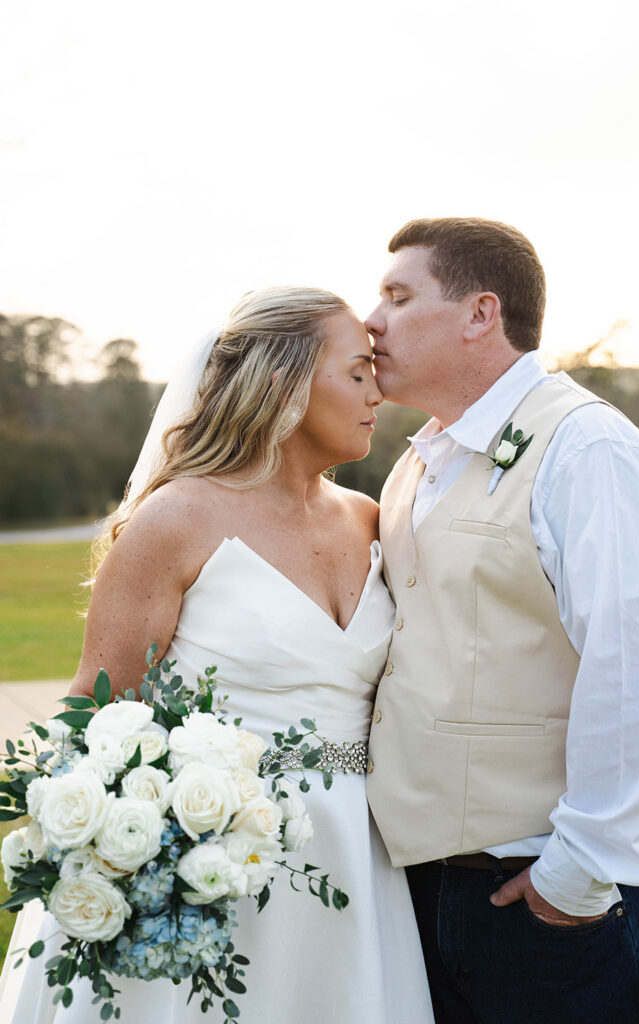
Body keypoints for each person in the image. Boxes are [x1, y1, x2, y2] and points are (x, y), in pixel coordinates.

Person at [1, 286, 435, 1024]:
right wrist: (122, 852)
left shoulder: (373, 521)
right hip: (204, 857)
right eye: (356, 372)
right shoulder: (176, 519)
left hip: (357, 857)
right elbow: (98, 708)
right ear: (282, 382)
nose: (377, 394)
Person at [364, 218, 639, 1024]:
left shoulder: (588, 449)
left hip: (546, 899)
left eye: (399, 296)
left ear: (480, 313)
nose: (372, 320)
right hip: (424, 887)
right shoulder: (418, 462)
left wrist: (577, 874)